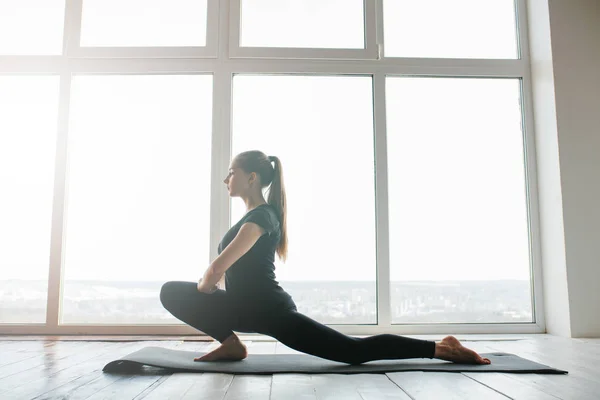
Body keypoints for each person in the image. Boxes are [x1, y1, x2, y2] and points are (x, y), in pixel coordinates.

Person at [160, 150, 491, 365]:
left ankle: (441, 348)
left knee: (352, 351)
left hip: (269, 312)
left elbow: (219, 267)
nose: (226, 179)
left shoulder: (261, 217)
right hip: (243, 308)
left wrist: (206, 287)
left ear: (251, 178)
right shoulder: (258, 215)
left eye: (231, 172)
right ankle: (232, 345)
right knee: (170, 291)